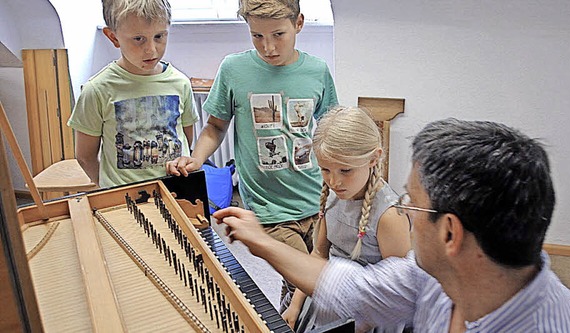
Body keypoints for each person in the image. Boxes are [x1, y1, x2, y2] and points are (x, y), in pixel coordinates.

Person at [213, 118, 570, 332]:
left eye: (412, 205)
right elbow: (350, 286)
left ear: (450, 233)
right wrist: (260, 241)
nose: (403, 212)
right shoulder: (432, 276)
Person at [166, 0, 338, 312]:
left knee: (324, 276)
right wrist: (195, 158)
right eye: (257, 36)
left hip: (316, 198)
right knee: (300, 281)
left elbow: (330, 131)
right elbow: (215, 127)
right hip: (268, 206)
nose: (268, 47)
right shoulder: (234, 69)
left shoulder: (318, 71)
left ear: (298, 23)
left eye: (278, 34)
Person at [281, 107, 411, 332]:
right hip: (326, 302)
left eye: (345, 170)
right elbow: (318, 254)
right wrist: (295, 305)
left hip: (366, 319)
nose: (334, 181)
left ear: (374, 158)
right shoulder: (334, 197)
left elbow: (396, 294)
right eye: (325, 170)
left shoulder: (389, 215)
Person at [67, 0, 199, 188]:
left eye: (159, 36)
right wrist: (109, 188)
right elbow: (85, 157)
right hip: (123, 197)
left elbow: (185, 138)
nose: (151, 49)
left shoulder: (180, 83)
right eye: (138, 39)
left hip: (176, 191)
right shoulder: (97, 90)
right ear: (113, 38)